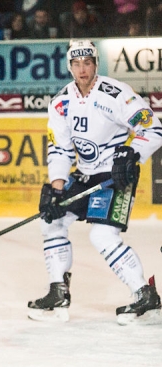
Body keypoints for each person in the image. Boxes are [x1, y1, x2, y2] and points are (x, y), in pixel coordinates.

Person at [30, 40, 162, 324]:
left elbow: (153, 129)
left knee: (102, 236)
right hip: (86, 175)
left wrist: (130, 155)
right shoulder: (60, 103)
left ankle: (144, 294)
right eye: (76, 64)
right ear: (69, 66)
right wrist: (56, 188)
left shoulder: (115, 94)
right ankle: (58, 290)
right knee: (51, 221)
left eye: (87, 63)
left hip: (115, 176)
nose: (82, 69)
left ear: (95, 64)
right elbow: (60, 150)